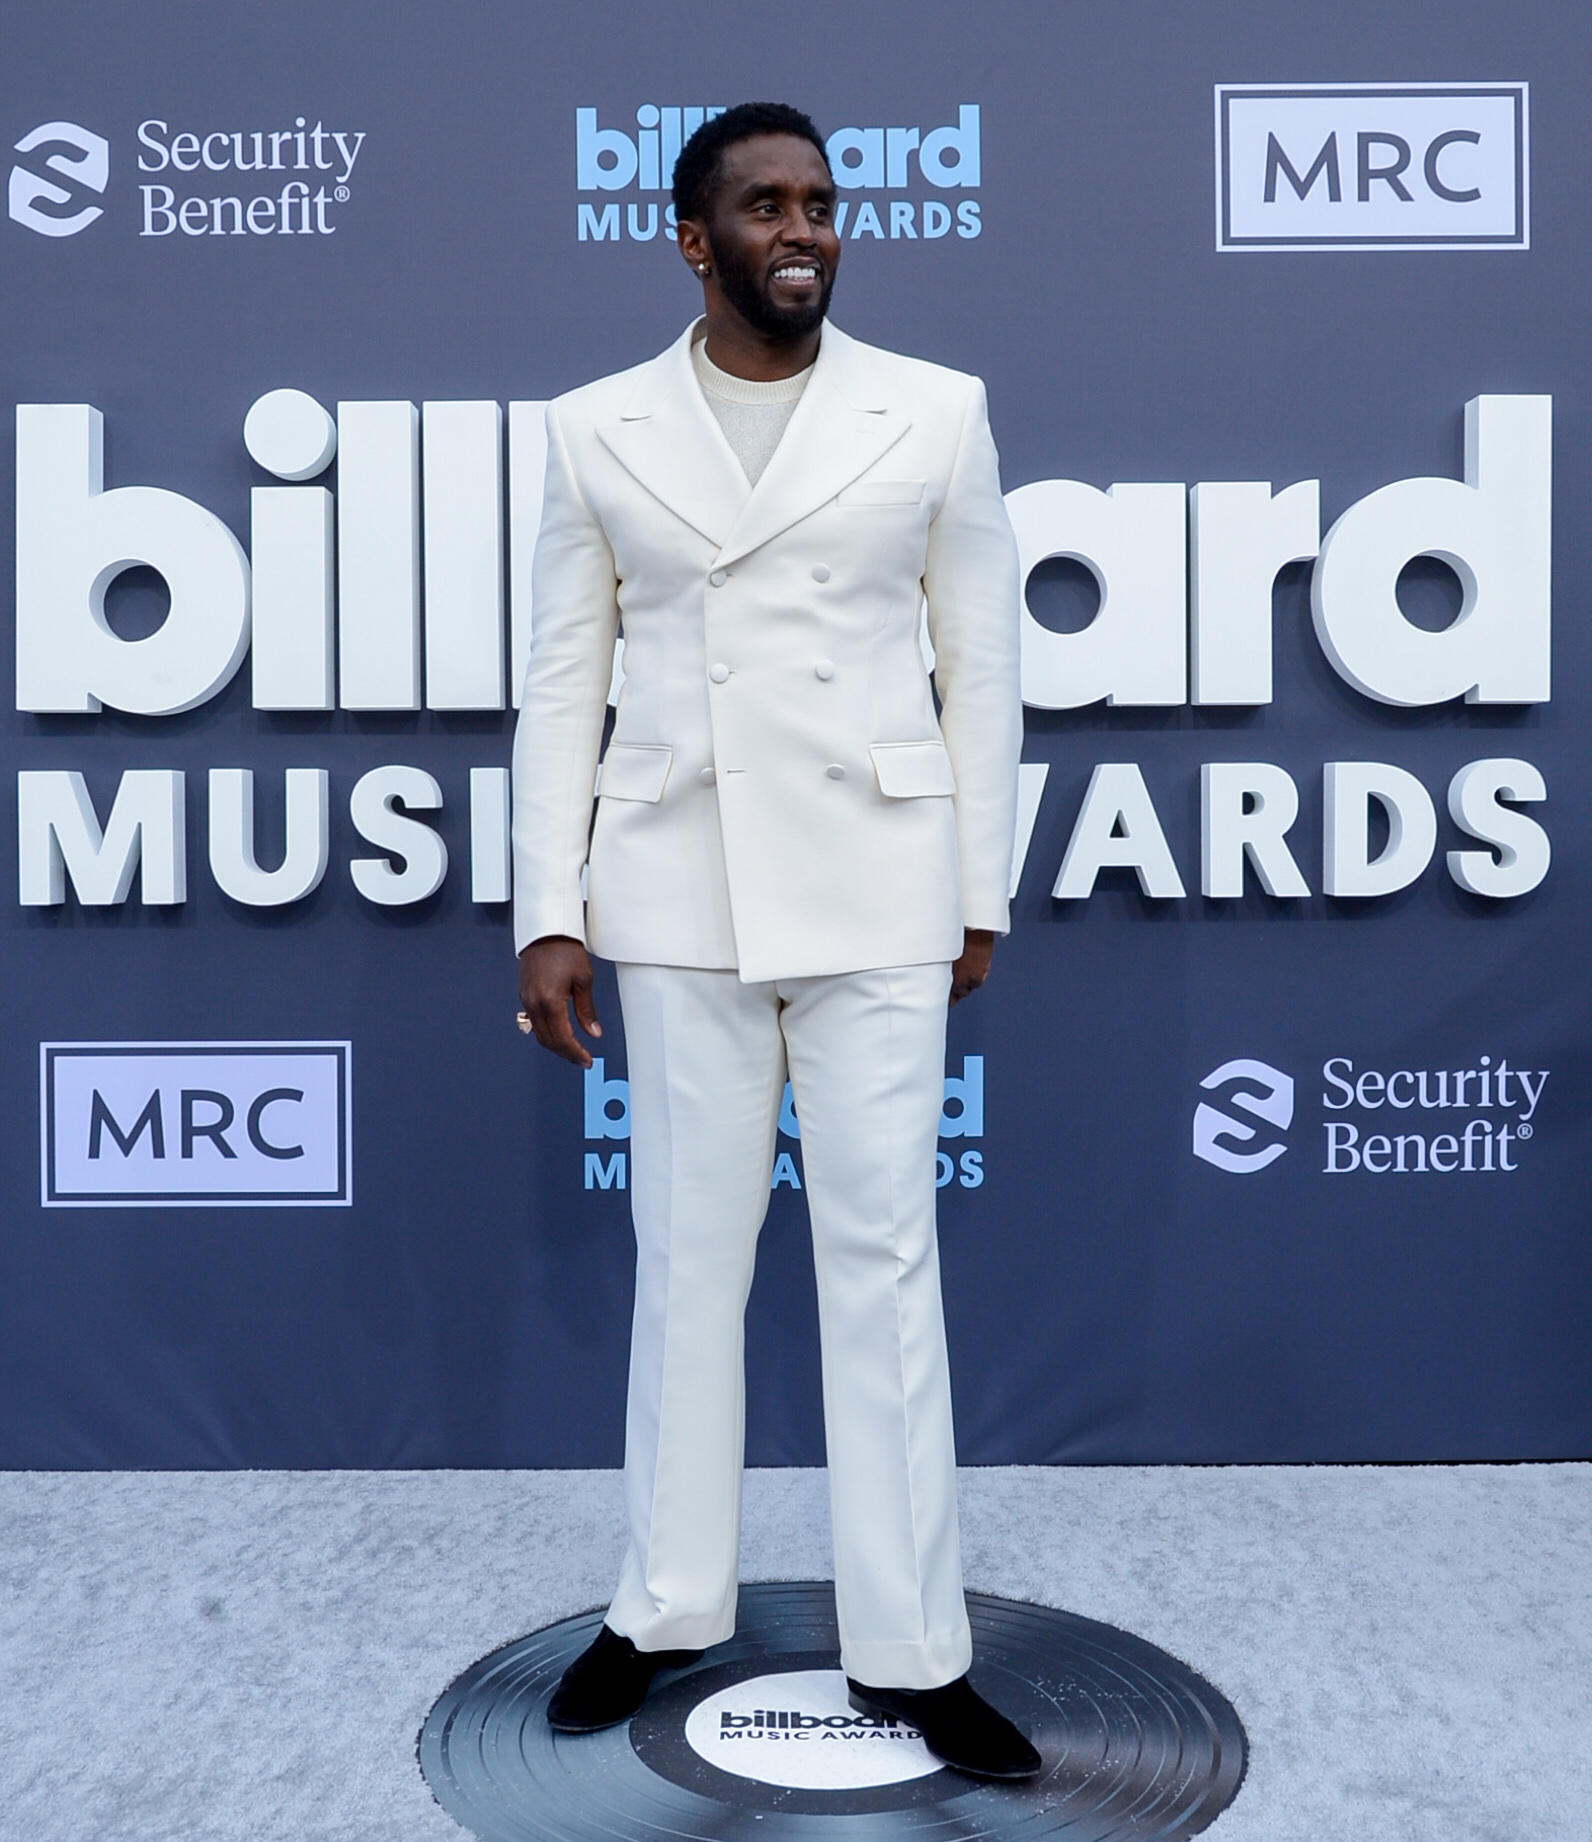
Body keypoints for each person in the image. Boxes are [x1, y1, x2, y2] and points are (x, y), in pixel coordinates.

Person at [513, 102, 1035, 1780]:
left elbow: (983, 663)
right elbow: (558, 690)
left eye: (819, 202)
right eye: (763, 204)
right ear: (693, 236)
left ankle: (913, 1644)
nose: (801, 228)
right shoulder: (594, 428)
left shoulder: (937, 410)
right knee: (689, 1262)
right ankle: (664, 1603)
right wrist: (548, 906)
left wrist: (979, 886)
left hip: (882, 880)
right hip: (675, 887)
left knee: (884, 1267)